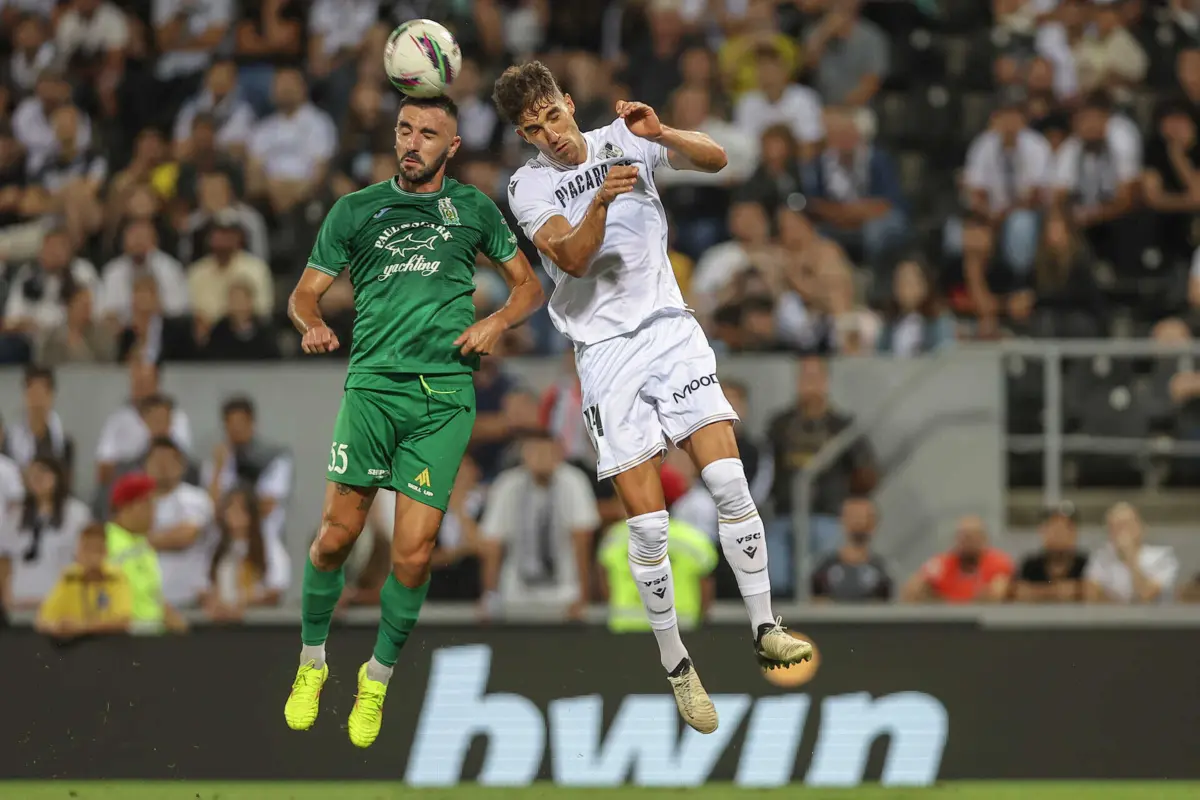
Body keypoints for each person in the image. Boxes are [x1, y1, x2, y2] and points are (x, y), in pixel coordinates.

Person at [493, 60, 811, 736]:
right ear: (523, 137)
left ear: (569, 103)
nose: (549, 134)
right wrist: (602, 201)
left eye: (552, 115)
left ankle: (766, 628)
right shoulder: (526, 186)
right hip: (605, 354)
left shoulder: (625, 135)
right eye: (532, 128)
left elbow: (719, 159)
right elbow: (572, 260)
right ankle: (678, 666)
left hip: (670, 329)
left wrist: (664, 131)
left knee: (728, 480)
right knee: (649, 527)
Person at [282, 93, 543, 749]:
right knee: (336, 539)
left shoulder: (475, 209)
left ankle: (376, 677)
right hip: (371, 390)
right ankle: (312, 663)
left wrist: (495, 322)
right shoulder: (355, 210)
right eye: (405, 129)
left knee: (415, 551)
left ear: (452, 147)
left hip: (444, 396)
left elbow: (528, 287)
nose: (413, 141)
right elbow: (304, 293)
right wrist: (312, 323)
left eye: (429, 132)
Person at [35, 523, 132, 641]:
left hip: (109, 651)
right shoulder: (69, 578)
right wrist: (57, 628)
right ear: (78, 552)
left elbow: (123, 621)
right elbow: (42, 620)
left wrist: (82, 628)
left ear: (106, 551)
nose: (92, 556)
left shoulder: (116, 578)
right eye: (87, 548)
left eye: (97, 549)